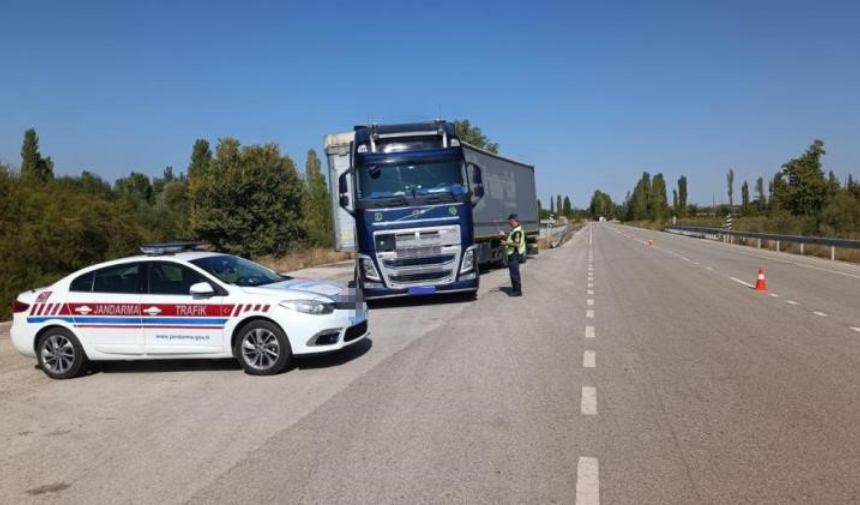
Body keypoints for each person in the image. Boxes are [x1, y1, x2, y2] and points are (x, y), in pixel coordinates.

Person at [498, 213, 526, 296]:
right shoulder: (515, 230)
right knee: (513, 273)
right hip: (512, 254)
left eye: (509, 221)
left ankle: (518, 291)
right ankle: (514, 289)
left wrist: (505, 242)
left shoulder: (517, 231)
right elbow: (511, 239)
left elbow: (516, 244)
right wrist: (504, 236)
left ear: (513, 220)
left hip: (514, 254)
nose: (509, 223)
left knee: (514, 273)